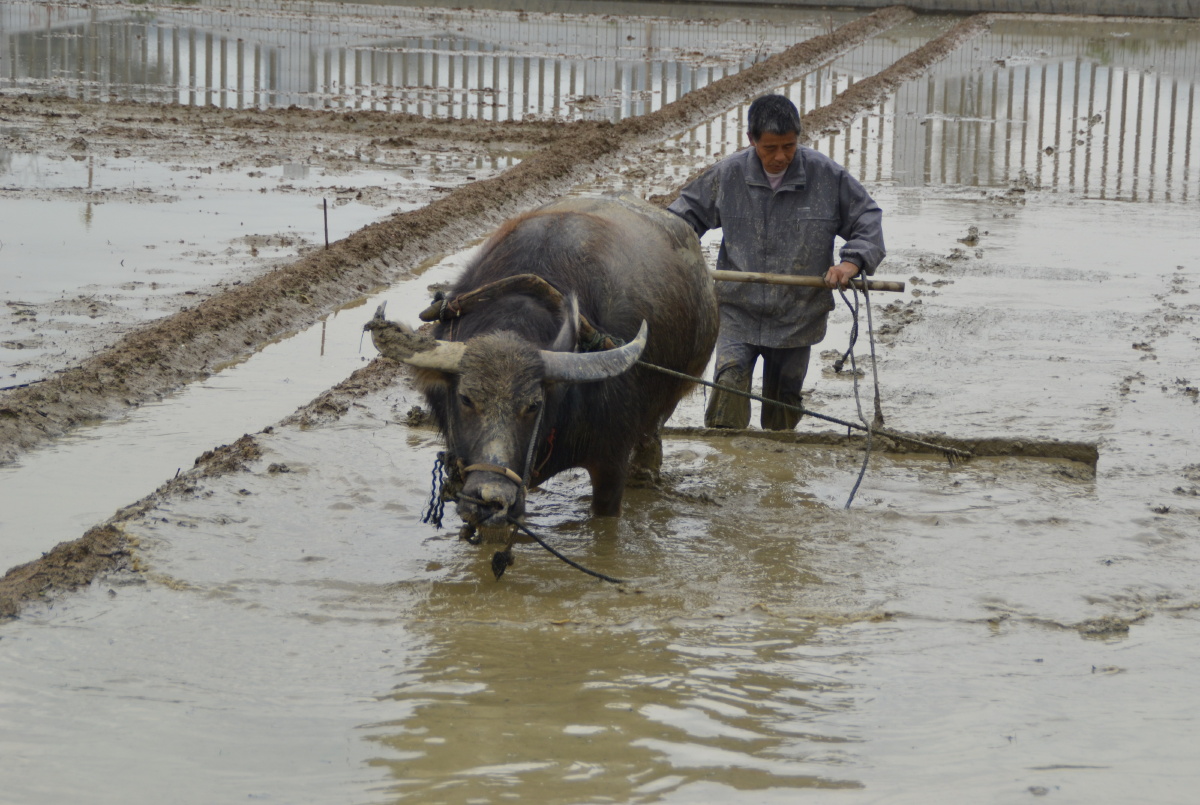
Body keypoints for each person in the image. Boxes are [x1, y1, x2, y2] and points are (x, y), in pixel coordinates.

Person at [667, 93, 886, 430]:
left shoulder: (826, 176)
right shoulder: (728, 176)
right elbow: (679, 222)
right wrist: (677, 262)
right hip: (737, 310)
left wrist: (851, 263)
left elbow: (867, 220)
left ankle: (779, 467)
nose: (781, 156)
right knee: (728, 386)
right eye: (770, 148)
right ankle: (730, 466)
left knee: (783, 406)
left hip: (797, 314)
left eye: (789, 146)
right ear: (752, 140)